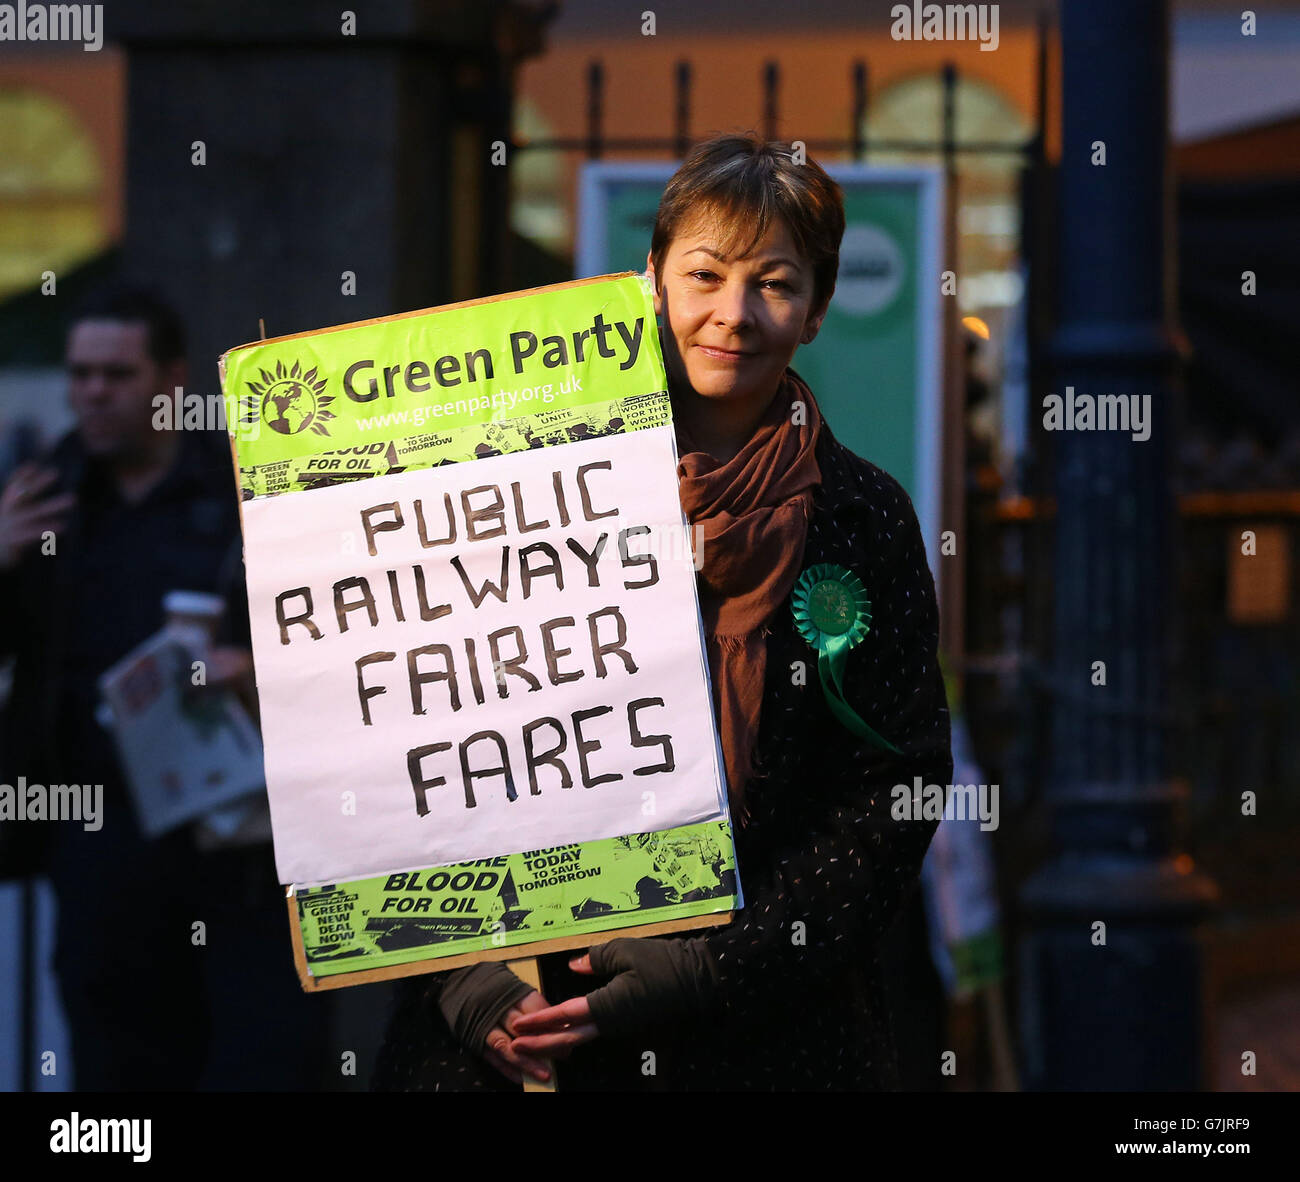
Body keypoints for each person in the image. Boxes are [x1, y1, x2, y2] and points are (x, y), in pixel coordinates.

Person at [371, 134, 953, 1091]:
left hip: (762, 1044)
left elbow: (898, 789)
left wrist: (712, 964)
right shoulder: (506, 477)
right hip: (490, 1045)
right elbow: (394, 732)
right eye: (705, 274)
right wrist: (463, 977)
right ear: (650, 281)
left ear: (815, 310)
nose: (734, 314)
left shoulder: (864, 515)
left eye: (774, 283)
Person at [0, 282, 330, 1090]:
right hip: (99, 839)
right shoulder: (46, 494)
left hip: (239, 844)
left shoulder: (244, 489)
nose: (94, 394)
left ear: (171, 379)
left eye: (117, 374)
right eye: (81, 375)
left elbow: (332, 639)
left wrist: (257, 672)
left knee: (262, 1062)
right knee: (115, 1073)